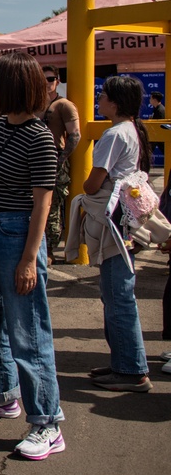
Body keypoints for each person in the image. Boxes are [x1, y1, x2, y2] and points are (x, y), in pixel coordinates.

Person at [0, 52, 65, 461]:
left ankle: (47, 421)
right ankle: (1, 394)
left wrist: (30, 258)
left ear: (12, 87)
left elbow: (43, 203)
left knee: (28, 332)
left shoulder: (40, 136)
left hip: (16, 235)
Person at [71, 76, 153, 392]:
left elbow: (93, 182)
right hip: (126, 219)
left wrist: (87, 190)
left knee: (117, 295)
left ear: (114, 103)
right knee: (117, 292)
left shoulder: (114, 134)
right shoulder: (133, 130)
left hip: (112, 222)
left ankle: (131, 370)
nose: (98, 98)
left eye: (102, 95)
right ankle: (124, 362)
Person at [37, 65, 81, 265]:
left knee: (52, 208)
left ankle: (50, 249)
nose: (47, 82)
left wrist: (60, 160)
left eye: (51, 79)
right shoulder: (35, 104)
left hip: (55, 160)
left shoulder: (64, 105)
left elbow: (75, 135)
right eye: (43, 78)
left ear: (58, 80)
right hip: (36, 159)